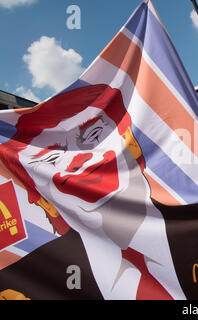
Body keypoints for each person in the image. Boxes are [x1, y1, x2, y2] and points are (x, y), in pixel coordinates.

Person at [0, 84, 184, 300]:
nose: (79, 161)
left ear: (131, 142)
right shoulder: (25, 285)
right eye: (53, 159)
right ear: (40, 198)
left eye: (94, 137)